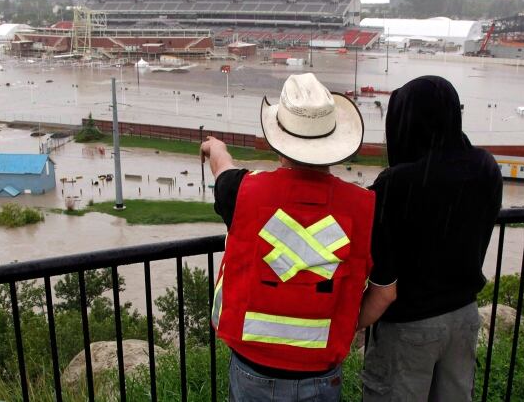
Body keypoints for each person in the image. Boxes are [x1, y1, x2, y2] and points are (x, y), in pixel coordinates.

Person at [201, 73, 395, 401]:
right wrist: (344, 325)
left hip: (252, 370)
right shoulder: (367, 209)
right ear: (334, 145)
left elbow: (223, 169)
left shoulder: (240, 192)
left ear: (280, 141)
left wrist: (214, 147)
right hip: (320, 375)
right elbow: (386, 294)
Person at [360, 76, 503, 401]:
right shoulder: (485, 167)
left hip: (409, 325)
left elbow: (383, 277)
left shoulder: (397, 184)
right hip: (463, 317)